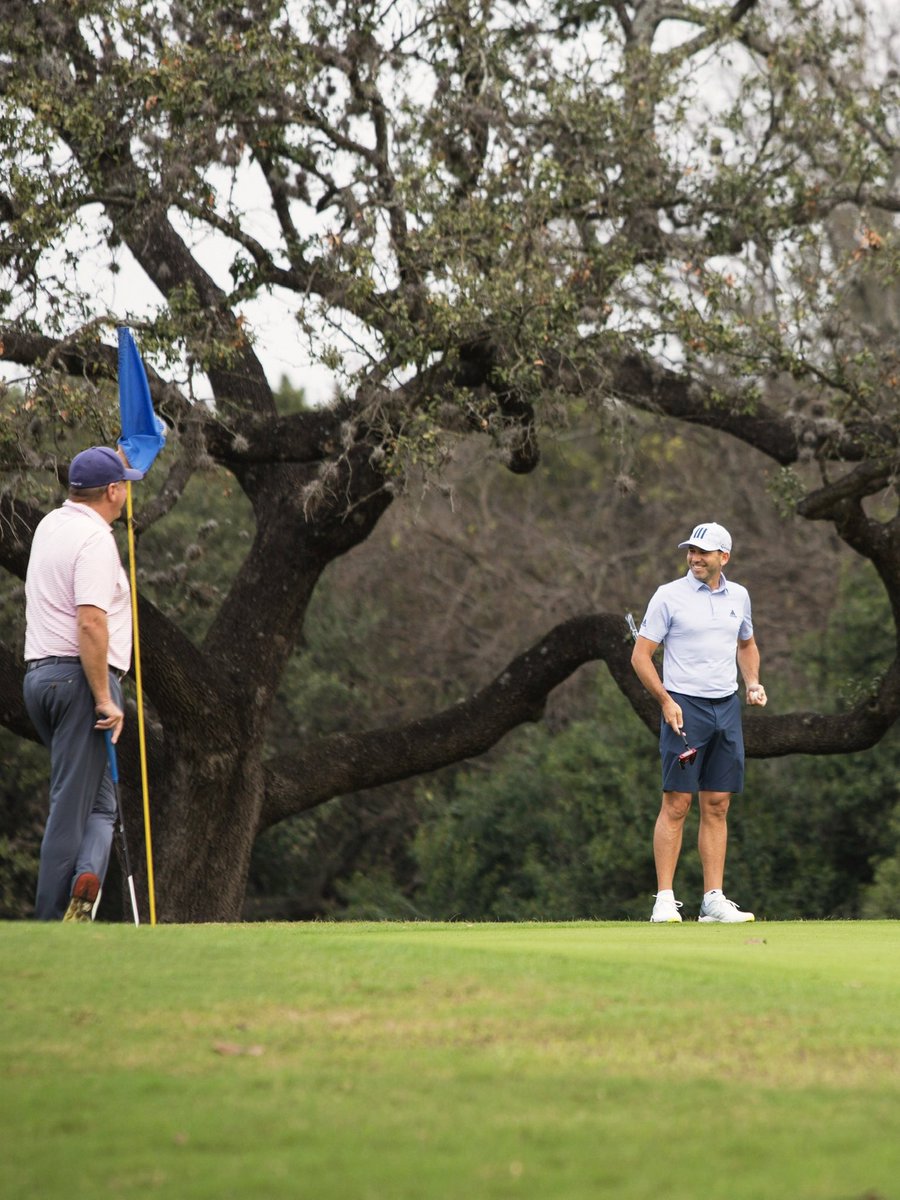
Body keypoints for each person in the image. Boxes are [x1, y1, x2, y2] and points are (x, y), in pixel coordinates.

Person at [24, 445, 143, 922]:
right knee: (71, 805)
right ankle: (49, 922)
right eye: (124, 484)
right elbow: (91, 622)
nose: (128, 492)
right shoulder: (96, 541)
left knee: (101, 803)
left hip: (40, 678)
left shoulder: (52, 524)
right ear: (113, 491)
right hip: (81, 682)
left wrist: (108, 459)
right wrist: (103, 699)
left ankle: (85, 880)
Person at [631, 522, 767, 924]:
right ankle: (664, 899)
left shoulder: (738, 596)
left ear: (723, 557)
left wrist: (753, 682)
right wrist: (665, 701)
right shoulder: (668, 596)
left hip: (725, 708)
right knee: (677, 802)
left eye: (703, 552)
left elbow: (746, 644)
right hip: (684, 706)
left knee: (718, 804)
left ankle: (713, 899)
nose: (695, 558)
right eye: (691, 551)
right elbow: (641, 656)